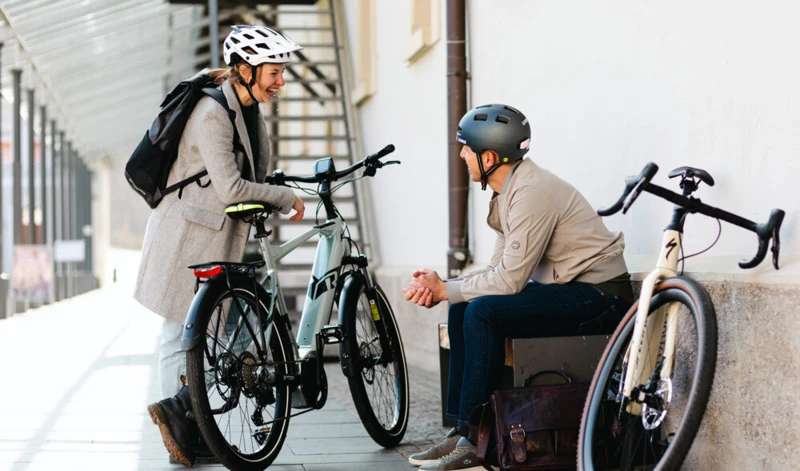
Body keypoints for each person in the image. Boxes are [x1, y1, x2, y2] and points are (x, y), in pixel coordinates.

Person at [404, 104, 634, 471]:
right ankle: (462, 429)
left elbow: (510, 281)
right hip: (568, 290)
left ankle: (476, 439)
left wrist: (445, 287)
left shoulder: (531, 192)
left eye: (466, 148)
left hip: (602, 297)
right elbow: (499, 270)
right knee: (464, 307)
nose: (462, 155)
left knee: (481, 311)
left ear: (490, 156)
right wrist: (448, 289)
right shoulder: (509, 191)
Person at [134, 25, 306, 467]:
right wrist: (284, 200)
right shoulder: (212, 113)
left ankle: (190, 427)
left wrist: (274, 189)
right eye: (274, 72)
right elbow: (231, 186)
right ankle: (178, 433)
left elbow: (256, 172)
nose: (280, 81)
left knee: (206, 336)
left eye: (282, 72)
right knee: (178, 332)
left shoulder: (248, 109)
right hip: (184, 235)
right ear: (245, 69)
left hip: (212, 234)